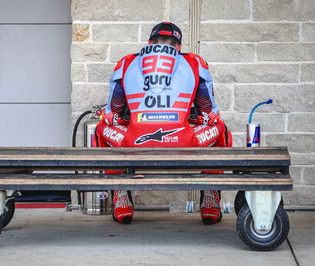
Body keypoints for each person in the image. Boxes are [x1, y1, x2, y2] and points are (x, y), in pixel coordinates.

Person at [94, 22, 232, 225]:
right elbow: (208, 112)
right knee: (221, 129)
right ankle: (210, 198)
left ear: (149, 42)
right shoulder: (195, 62)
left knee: (100, 128)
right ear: (179, 46)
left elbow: (113, 112)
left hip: (134, 142)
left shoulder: (126, 62)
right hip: (185, 143)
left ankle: (120, 196)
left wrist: (128, 118)